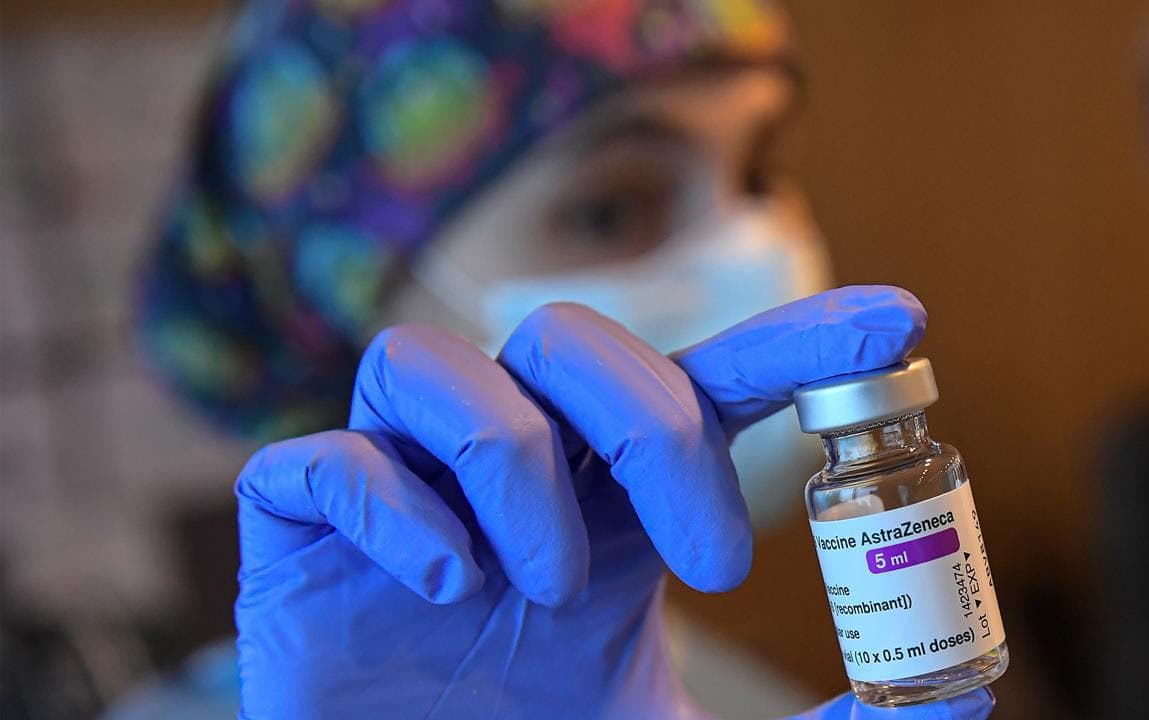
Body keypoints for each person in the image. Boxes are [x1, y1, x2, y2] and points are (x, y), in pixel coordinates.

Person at [127, 1, 996, 717]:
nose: (754, 253)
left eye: (761, 172)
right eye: (611, 211)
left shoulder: (690, 683)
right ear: (348, 284)